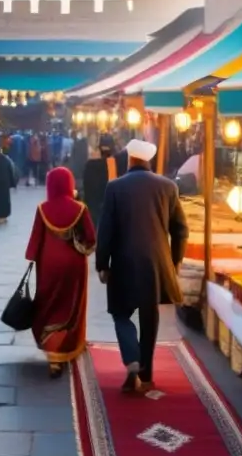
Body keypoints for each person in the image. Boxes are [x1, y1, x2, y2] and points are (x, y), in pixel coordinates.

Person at [96, 139, 189, 394]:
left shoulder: (114, 187)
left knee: (120, 313)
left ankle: (131, 357)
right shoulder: (168, 187)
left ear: (130, 159)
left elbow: (106, 231)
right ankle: (146, 373)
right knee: (150, 318)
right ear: (148, 160)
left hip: (123, 262)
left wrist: (102, 264)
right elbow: (180, 230)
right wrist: (176, 261)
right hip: (156, 263)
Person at [26, 167, 96, 378]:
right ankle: (69, 346)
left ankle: (53, 355)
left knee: (49, 304)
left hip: (48, 264)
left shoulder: (42, 209)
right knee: (71, 305)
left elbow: (35, 241)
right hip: (74, 263)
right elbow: (91, 238)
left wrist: (31, 259)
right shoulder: (80, 208)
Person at [81, 134, 118, 227]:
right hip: (110, 216)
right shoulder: (114, 165)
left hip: (92, 214)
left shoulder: (89, 165)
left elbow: (86, 188)